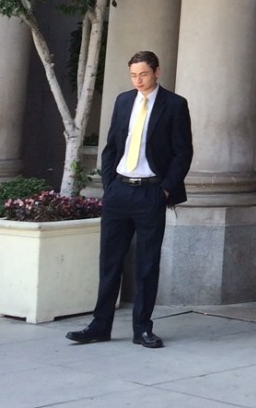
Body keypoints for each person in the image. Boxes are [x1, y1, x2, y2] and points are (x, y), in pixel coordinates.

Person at [67, 50, 193, 348]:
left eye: (144, 74)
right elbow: (111, 146)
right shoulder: (123, 101)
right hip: (119, 191)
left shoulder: (175, 105)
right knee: (109, 261)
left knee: (147, 264)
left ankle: (142, 329)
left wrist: (164, 189)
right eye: (134, 75)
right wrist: (109, 183)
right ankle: (100, 326)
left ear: (157, 71)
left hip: (150, 192)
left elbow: (183, 152)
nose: (138, 80)